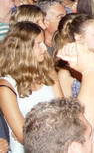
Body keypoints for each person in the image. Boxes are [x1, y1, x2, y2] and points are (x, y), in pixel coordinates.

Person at [0, 22, 62, 153]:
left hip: (58, 146)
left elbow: (64, 112)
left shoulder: (48, 71)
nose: (45, 48)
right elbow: (24, 136)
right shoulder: (6, 87)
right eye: (39, 44)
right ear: (24, 49)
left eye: (43, 43)